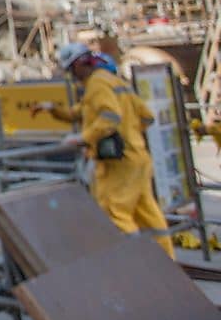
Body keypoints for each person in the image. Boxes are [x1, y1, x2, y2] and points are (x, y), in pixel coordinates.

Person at [33, 41, 174, 257]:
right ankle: (166, 261)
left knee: (114, 212)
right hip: (138, 157)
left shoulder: (97, 85)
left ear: (80, 64)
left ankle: (134, 263)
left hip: (119, 163)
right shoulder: (113, 82)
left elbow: (110, 117)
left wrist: (84, 138)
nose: (71, 75)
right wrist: (52, 109)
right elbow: (146, 116)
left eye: (71, 70)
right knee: (147, 214)